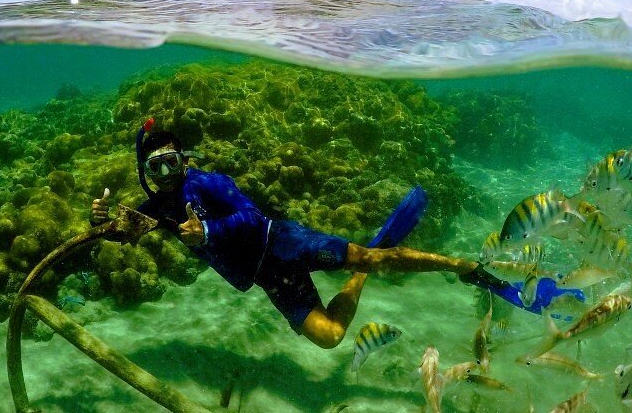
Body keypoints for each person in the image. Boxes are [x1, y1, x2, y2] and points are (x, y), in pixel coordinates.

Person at [91, 122, 571, 348]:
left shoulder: (209, 183)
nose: (168, 172)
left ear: (185, 160)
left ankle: (466, 269)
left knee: (376, 259)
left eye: (174, 161)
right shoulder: (156, 207)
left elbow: (253, 218)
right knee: (330, 337)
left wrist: (209, 231)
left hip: (282, 241)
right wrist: (107, 228)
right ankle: (365, 266)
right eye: (158, 166)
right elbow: (132, 231)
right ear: (148, 171)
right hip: (267, 277)